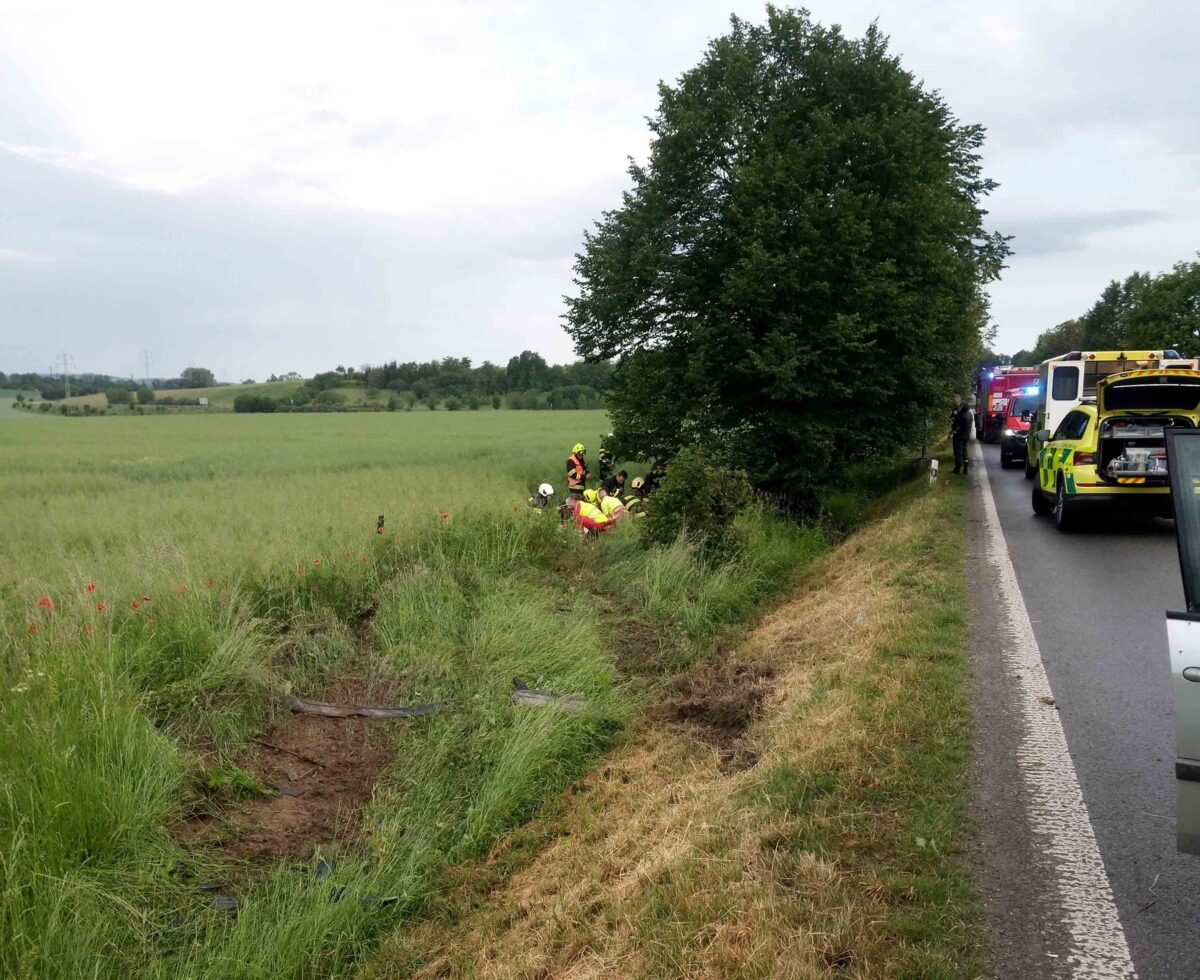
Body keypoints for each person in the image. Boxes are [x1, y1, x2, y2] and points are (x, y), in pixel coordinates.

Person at [950, 392, 973, 475]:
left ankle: (957, 469)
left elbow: (955, 424)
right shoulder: (970, 414)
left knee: (958, 453)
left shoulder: (962, 416)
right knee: (964, 451)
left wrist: (952, 431)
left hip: (959, 436)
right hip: (966, 436)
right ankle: (966, 467)